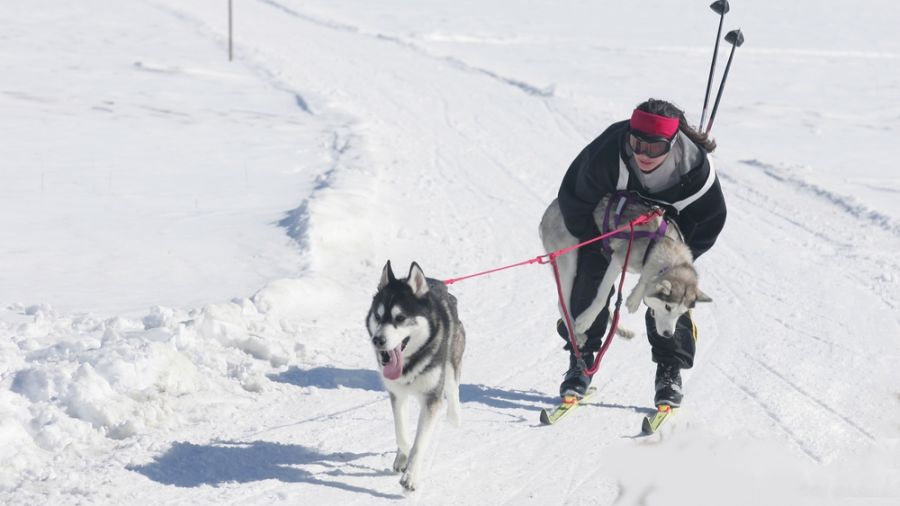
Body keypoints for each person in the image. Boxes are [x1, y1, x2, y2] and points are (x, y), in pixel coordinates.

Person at [554, 98, 726, 407]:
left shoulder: (694, 169)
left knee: (673, 292)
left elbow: (711, 220)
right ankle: (580, 361)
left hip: (667, 234)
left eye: (655, 148)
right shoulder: (608, 152)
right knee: (589, 275)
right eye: (637, 143)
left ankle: (669, 370)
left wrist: (677, 256)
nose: (643, 154)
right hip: (607, 224)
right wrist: (596, 242)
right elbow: (574, 198)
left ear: (672, 143)